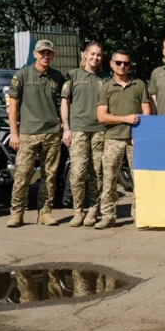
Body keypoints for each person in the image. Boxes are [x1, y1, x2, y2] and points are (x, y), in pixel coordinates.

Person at [6, 39, 65, 228]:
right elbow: (13, 106)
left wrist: (63, 124)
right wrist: (13, 133)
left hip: (51, 133)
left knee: (49, 175)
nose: (45, 56)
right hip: (28, 133)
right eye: (42, 53)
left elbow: (65, 103)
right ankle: (17, 213)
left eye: (48, 53)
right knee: (23, 174)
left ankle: (45, 213)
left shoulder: (58, 77)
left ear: (53, 55)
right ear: (35, 54)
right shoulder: (22, 75)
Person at [94, 50, 151, 229]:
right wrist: (125, 119)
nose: (122, 66)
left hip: (135, 139)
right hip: (113, 138)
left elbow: (147, 112)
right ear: (111, 64)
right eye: (118, 63)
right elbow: (102, 116)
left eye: (125, 63)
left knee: (139, 179)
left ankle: (140, 215)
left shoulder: (139, 85)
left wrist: (140, 134)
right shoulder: (106, 87)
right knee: (109, 178)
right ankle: (108, 216)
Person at [60, 41, 107, 228]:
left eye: (99, 55)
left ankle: (93, 210)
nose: (95, 58)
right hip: (78, 129)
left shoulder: (105, 78)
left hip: (99, 130)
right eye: (92, 54)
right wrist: (66, 128)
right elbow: (65, 102)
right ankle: (78, 211)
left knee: (97, 172)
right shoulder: (73, 75)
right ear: (84, 55)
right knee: (78, 172)